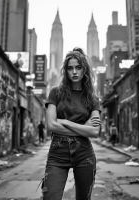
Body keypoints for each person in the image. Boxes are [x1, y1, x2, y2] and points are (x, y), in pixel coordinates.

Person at [41, 47, 101, 200]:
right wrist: (84, 128)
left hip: (84, 153)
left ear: (84, 70)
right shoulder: (56, 93)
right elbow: (51, 126)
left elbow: (95, 132)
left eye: (78, 67)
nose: (74, 72)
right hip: (57, 153)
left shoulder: (92, 98)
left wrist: (66, 122)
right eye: (70, 68)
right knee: (51, 197)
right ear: (66, 71)